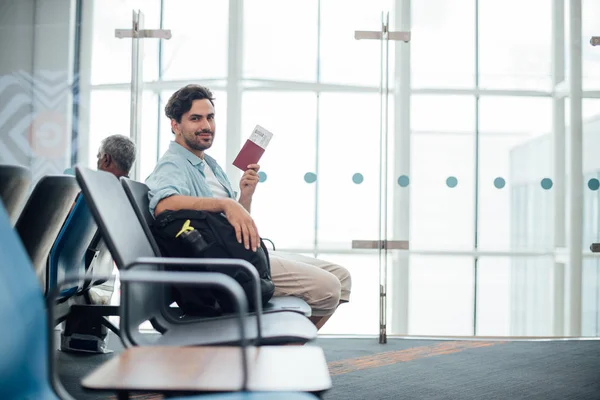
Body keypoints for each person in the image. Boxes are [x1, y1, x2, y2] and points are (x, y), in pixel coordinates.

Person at [145, 84, 351, 330]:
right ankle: (274, 351)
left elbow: (228, 226)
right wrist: (226, 203)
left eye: (210, 117)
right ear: (175, 125)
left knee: (342, 277)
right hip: (229, 265)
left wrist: (244, 196)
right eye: (195, 119)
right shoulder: (174, 163)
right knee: (328, 288)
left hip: (241, 251)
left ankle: (279, 348)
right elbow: (164, 205)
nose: (206, 126)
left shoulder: (208, 164)